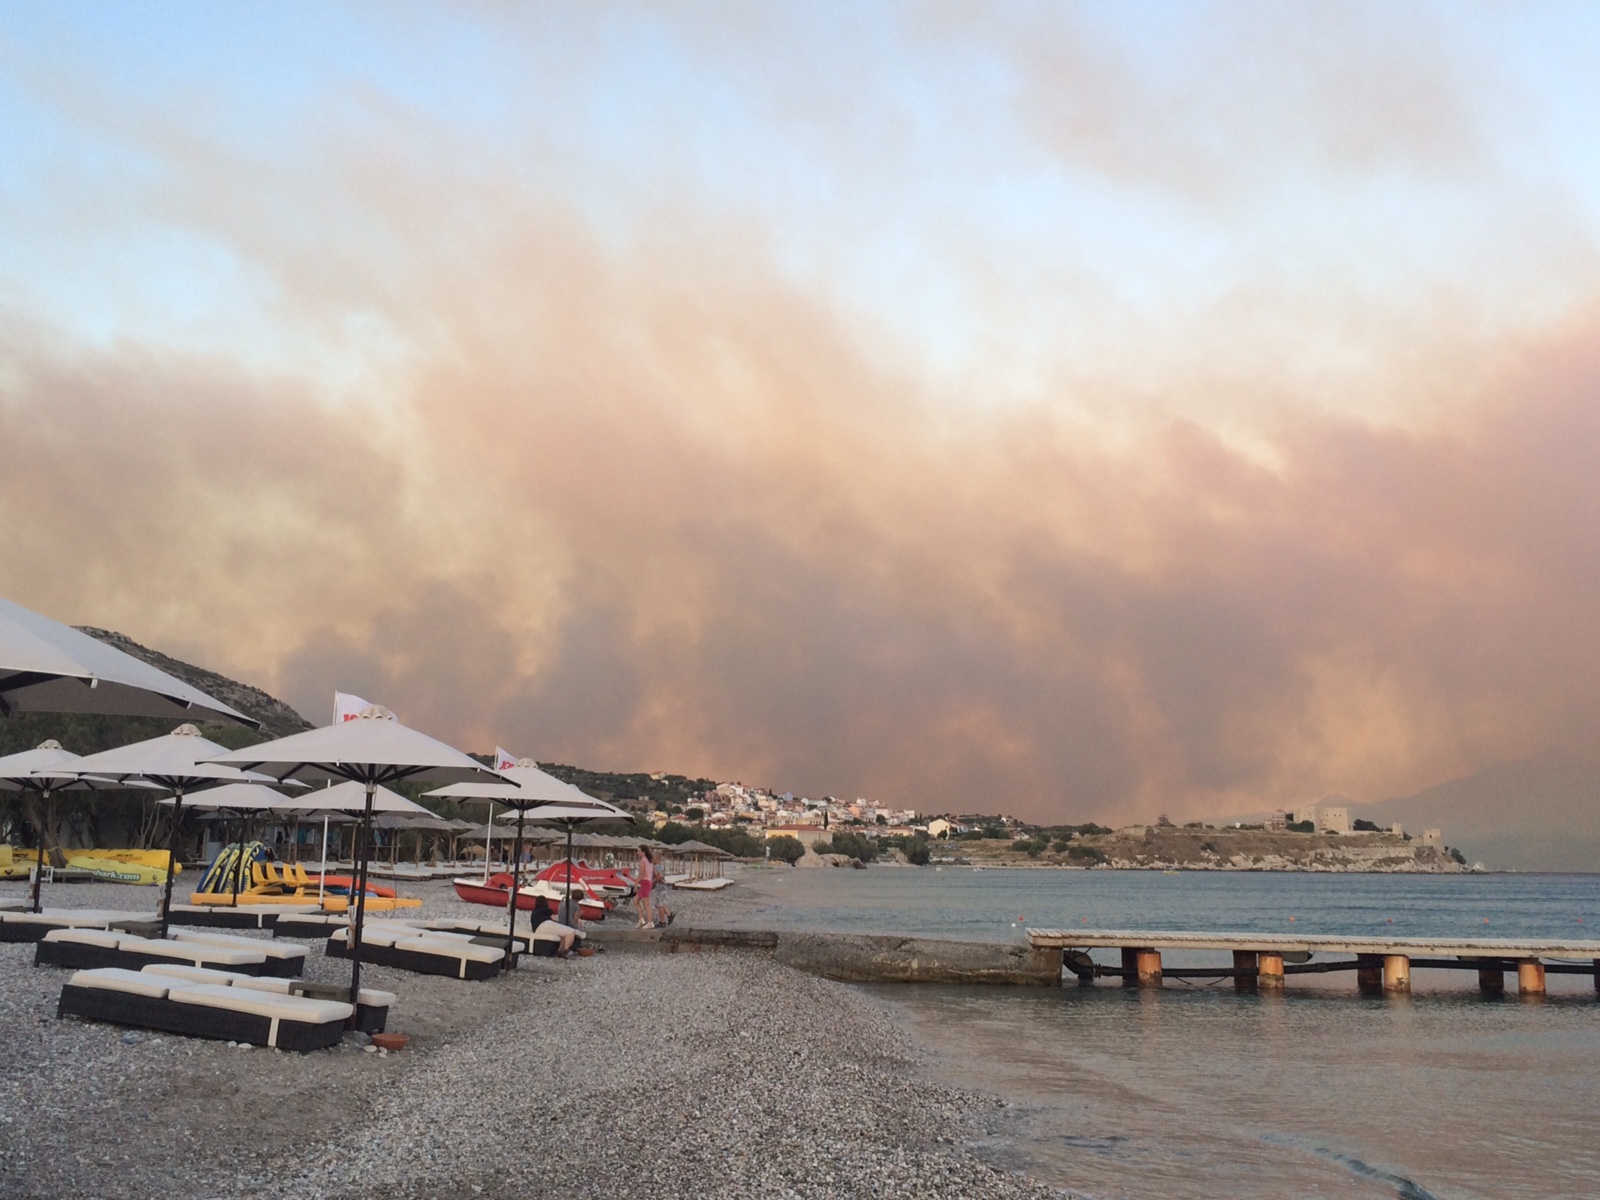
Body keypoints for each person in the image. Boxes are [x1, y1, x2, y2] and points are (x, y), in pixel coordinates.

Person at [635, 844, 655, 928]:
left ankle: (650, 922)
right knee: (635, 901)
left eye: (639, 851)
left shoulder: (643, 861)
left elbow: (641, 873)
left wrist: (636, 883)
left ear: (643, 852)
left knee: (646, 903)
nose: (637, 853)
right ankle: (641, 919)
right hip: (647, 882)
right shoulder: (649, 861)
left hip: (645, 883)